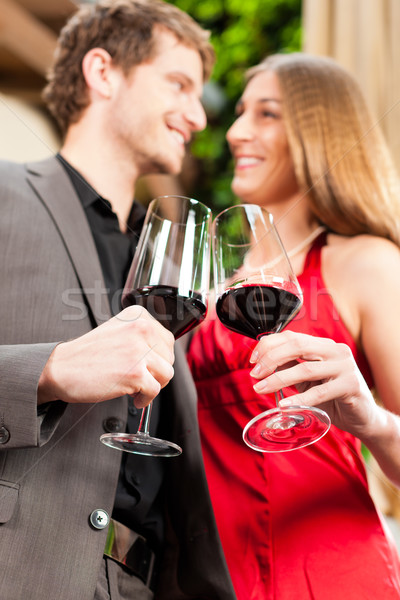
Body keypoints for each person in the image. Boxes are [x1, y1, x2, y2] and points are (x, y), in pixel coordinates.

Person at [0, 1, 236, 599]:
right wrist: (48, 371)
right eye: (178, 84)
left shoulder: (170, 266)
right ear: (103, 73)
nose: (196, 116)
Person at [187, 52, 400, 599]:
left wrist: (370, 420)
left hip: (325, 571)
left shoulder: (364, 261)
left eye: (267, 114)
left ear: (318, 134)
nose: (236, 132)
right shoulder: (215, 287)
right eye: (240, 113)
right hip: (204, 574)